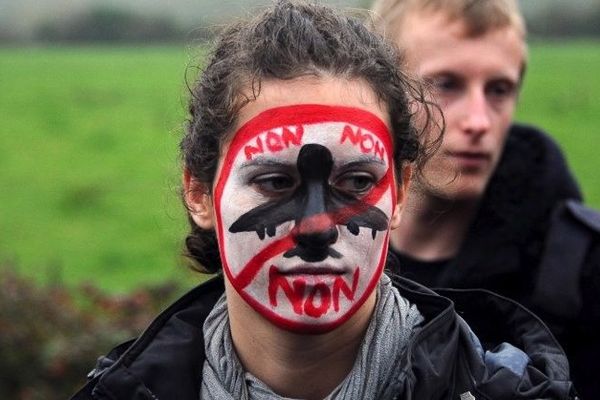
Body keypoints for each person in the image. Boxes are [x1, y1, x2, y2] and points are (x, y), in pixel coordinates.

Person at [71, 1, 577, 399]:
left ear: (399, 192)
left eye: (357, 183)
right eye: (274, 183)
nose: (317, 228)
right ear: (200, 192)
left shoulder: (498, 390)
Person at [370, 0, 600, 397]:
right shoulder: (326, 256)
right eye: (445, 84)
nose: (478, 120)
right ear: (381, 94)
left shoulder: (582, 270)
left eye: (499, 89)